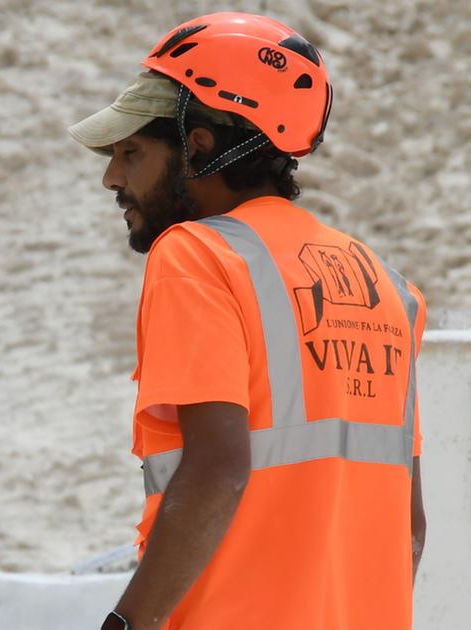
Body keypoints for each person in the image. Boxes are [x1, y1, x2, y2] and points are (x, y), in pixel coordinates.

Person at [68, 13, 426, 630]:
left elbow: (218, 472)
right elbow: (410, 530)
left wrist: (128, 624)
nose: (113, 178)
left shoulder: (197, 255)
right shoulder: (387, 288)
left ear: (199, 147)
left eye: (132, 153)